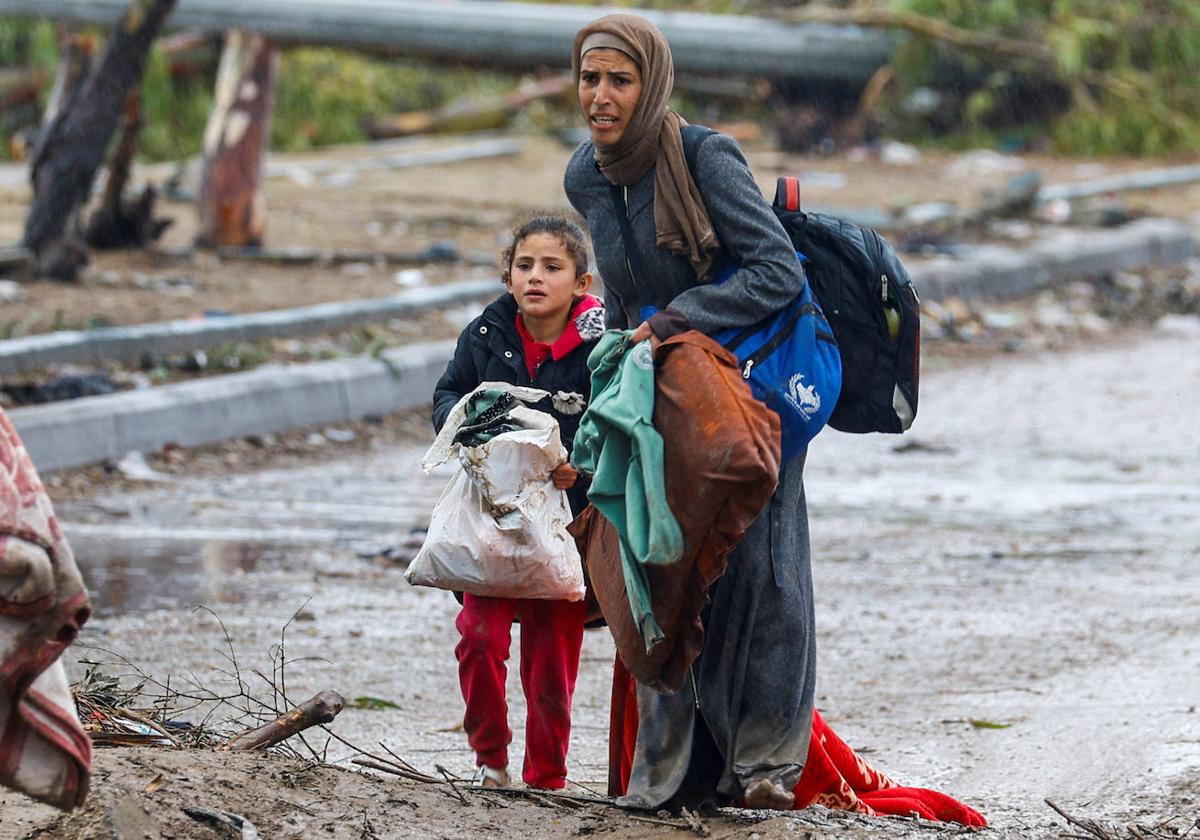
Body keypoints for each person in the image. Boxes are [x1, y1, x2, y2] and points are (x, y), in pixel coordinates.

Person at [564, 14, 816, 811]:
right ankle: (672, 771)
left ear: (653, 85)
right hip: (663, 391)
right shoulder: (586, 177)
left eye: (620, 80)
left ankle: (768, 763)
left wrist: (676, 318)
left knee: (762, 568)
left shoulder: (707, 157)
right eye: (589, 78)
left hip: (750, 387)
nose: (601, 96)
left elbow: (776, 271)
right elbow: (625, 292)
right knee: (659, 563)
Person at [431, 215, 606, 790]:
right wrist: (466, 428)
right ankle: (491, 759)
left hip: (565, 528)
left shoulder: (600, 346)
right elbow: (449, 393)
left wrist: (583, 462)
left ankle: (547, 776)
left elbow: (617, 416)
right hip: (492, 519)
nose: (536, 277)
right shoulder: (485, 336)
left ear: (581, 283)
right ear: (508, 277)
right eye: (524, 266)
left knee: (552, 659)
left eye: (552, 267)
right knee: (478, 636)